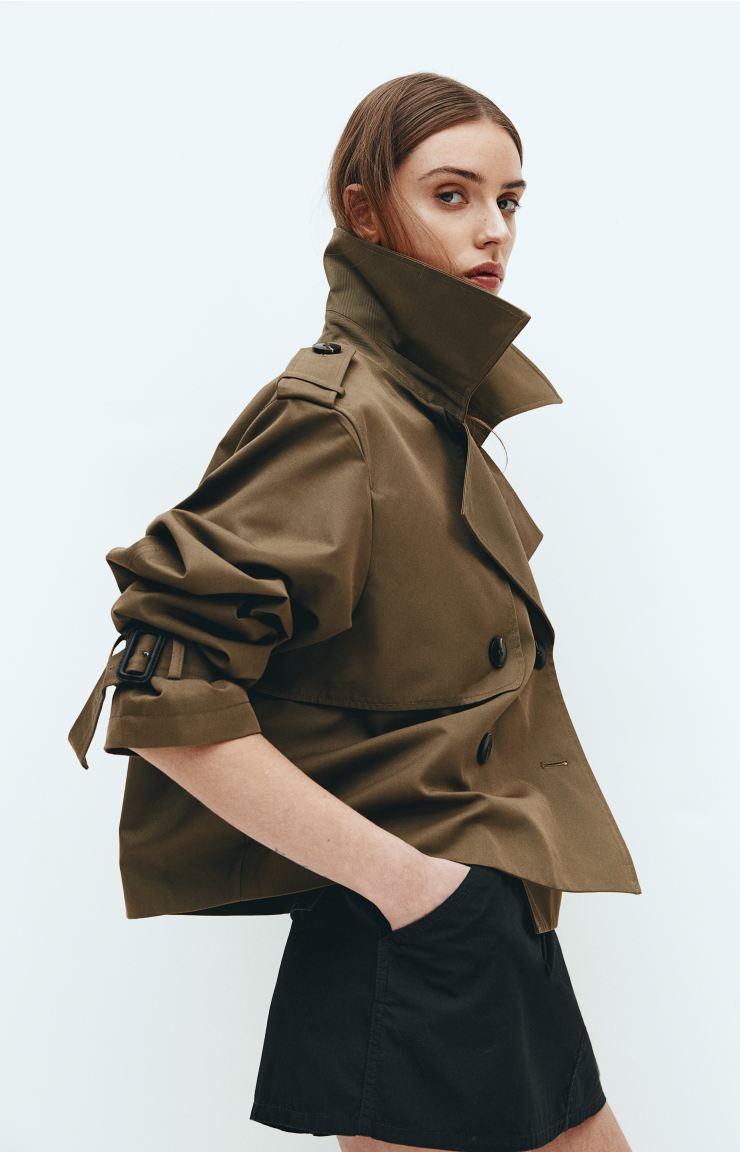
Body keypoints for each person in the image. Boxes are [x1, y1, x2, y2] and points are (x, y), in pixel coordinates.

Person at [68, 72, 640, 1152]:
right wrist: (414, 888)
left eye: (509, 200)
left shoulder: (424, 409)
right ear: (365, 212)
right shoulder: (340, 418)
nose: (493, 230)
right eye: (452, 195)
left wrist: (447, 898)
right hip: (414, 917)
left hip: (468, 907)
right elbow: (167, 695)